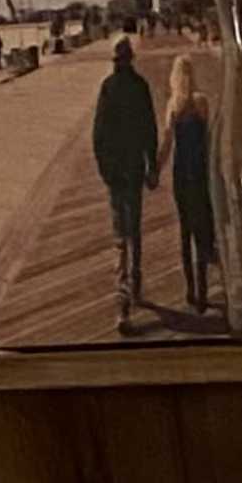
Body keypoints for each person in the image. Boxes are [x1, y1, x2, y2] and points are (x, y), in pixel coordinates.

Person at [92, 35, 161, 327]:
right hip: (133, 169)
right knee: (135, 231)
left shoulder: (108, 87)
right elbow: (150, 129)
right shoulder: (140, 86)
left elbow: (98, 134)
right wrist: (152, 166)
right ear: (131, 59)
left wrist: (104, 169)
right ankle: (137, 284)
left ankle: (122, 304)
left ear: (115, 61)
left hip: (115, 172)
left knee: (119, 235)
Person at [165, 53, 217, 321]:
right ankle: (204, 292)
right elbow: (209, 141)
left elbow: (166, 145)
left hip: (180, 174)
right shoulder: (201, 102)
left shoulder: (174, 105)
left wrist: (152, 173)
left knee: (185, 232)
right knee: (201, 229)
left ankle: (189, 290)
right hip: (199, 173)